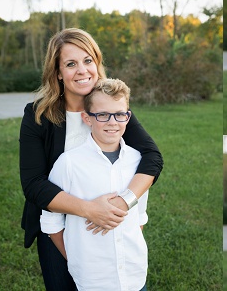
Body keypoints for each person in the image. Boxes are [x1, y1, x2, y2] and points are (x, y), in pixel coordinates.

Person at [19, 28, 162, 291]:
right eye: (71, 64)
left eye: (88, 60)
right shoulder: (38, 115)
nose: (83, 70)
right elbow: (33, 183)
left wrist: (123, 203)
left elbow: (152, 158)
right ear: (58, 72)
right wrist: (89, 210)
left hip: (109, 228)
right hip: (56, 227)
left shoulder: (109, 108)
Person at [40, 79, 149, 291]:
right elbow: (51, 221)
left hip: (134, 275)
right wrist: (76, 259)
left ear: (128, 116)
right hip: (92, 279)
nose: (112, 122)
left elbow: (140, 214)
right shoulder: (69, 163)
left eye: (119, 114)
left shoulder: (138, 161)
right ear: (87, 118)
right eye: (102, 115)